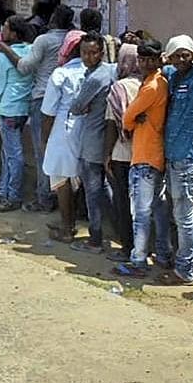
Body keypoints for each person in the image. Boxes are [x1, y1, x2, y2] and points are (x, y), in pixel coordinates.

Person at [0, 3, 78, 212]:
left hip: (43, 97)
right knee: (69, 151)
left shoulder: (45, 40)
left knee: (42, 149)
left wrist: (3, 48)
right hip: (69, 99)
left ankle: (44, 197)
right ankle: (70, 202)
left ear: (52, 20)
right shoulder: (74, 39)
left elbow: (24, 67)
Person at [154, 34, 193, 285]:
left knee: (184, 216)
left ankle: (184, 270)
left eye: (185, 55)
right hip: (171, 156)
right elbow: (164, 66)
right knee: (177, 214)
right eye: (176, 55)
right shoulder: (174, 76)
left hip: (187, 158)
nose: (181, 60)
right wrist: (166, 60)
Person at [114, 39, 168, 277]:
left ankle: (138, 260)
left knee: (141, 212)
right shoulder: (159, 83)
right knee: (157, 209)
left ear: (158, 61)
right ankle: (163, 254)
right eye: (142, 59)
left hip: (145, 154)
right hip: (153, 153)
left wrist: (133, 121)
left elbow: (127, 117)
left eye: (150, 60)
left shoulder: (151, 87)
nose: (145, 63)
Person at [68, 32, 117, 253]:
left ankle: (95, 239)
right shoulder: (110, 71)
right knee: (105, 191)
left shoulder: (96, 77)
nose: (88, 57)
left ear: (101, 53)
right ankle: (118, 232)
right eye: (84, 53)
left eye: (93, 53)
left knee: (93, 193)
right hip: (104, 141)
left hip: (92, 143)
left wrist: (82, 106)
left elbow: (76, 106)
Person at [0, 15, 35, 212]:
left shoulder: (2, 57)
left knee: (12, 155)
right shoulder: (31, 50)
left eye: (5, 27)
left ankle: (11, 195)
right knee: (12, 153)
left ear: (14, 33)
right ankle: (5, 192)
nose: (2, 30)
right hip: (23, 108)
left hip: (7, 110)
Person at [40, 45, 86, 241]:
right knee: (75, 178)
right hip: (86, 130)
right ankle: (70, 222)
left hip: (63, 129)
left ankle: (67, 229)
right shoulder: (95, 71)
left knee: (61, 179)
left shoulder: (61, 74)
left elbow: (49, 110)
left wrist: (45, 139)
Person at [103, 43, 142, 261]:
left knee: (123, 202)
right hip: (145, 153)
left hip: (121, 153)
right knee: (144, 205)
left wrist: (106, 155)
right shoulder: (150, 84)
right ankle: (145, 247)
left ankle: (128, 247)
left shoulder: (119, 87)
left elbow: (111, 123)